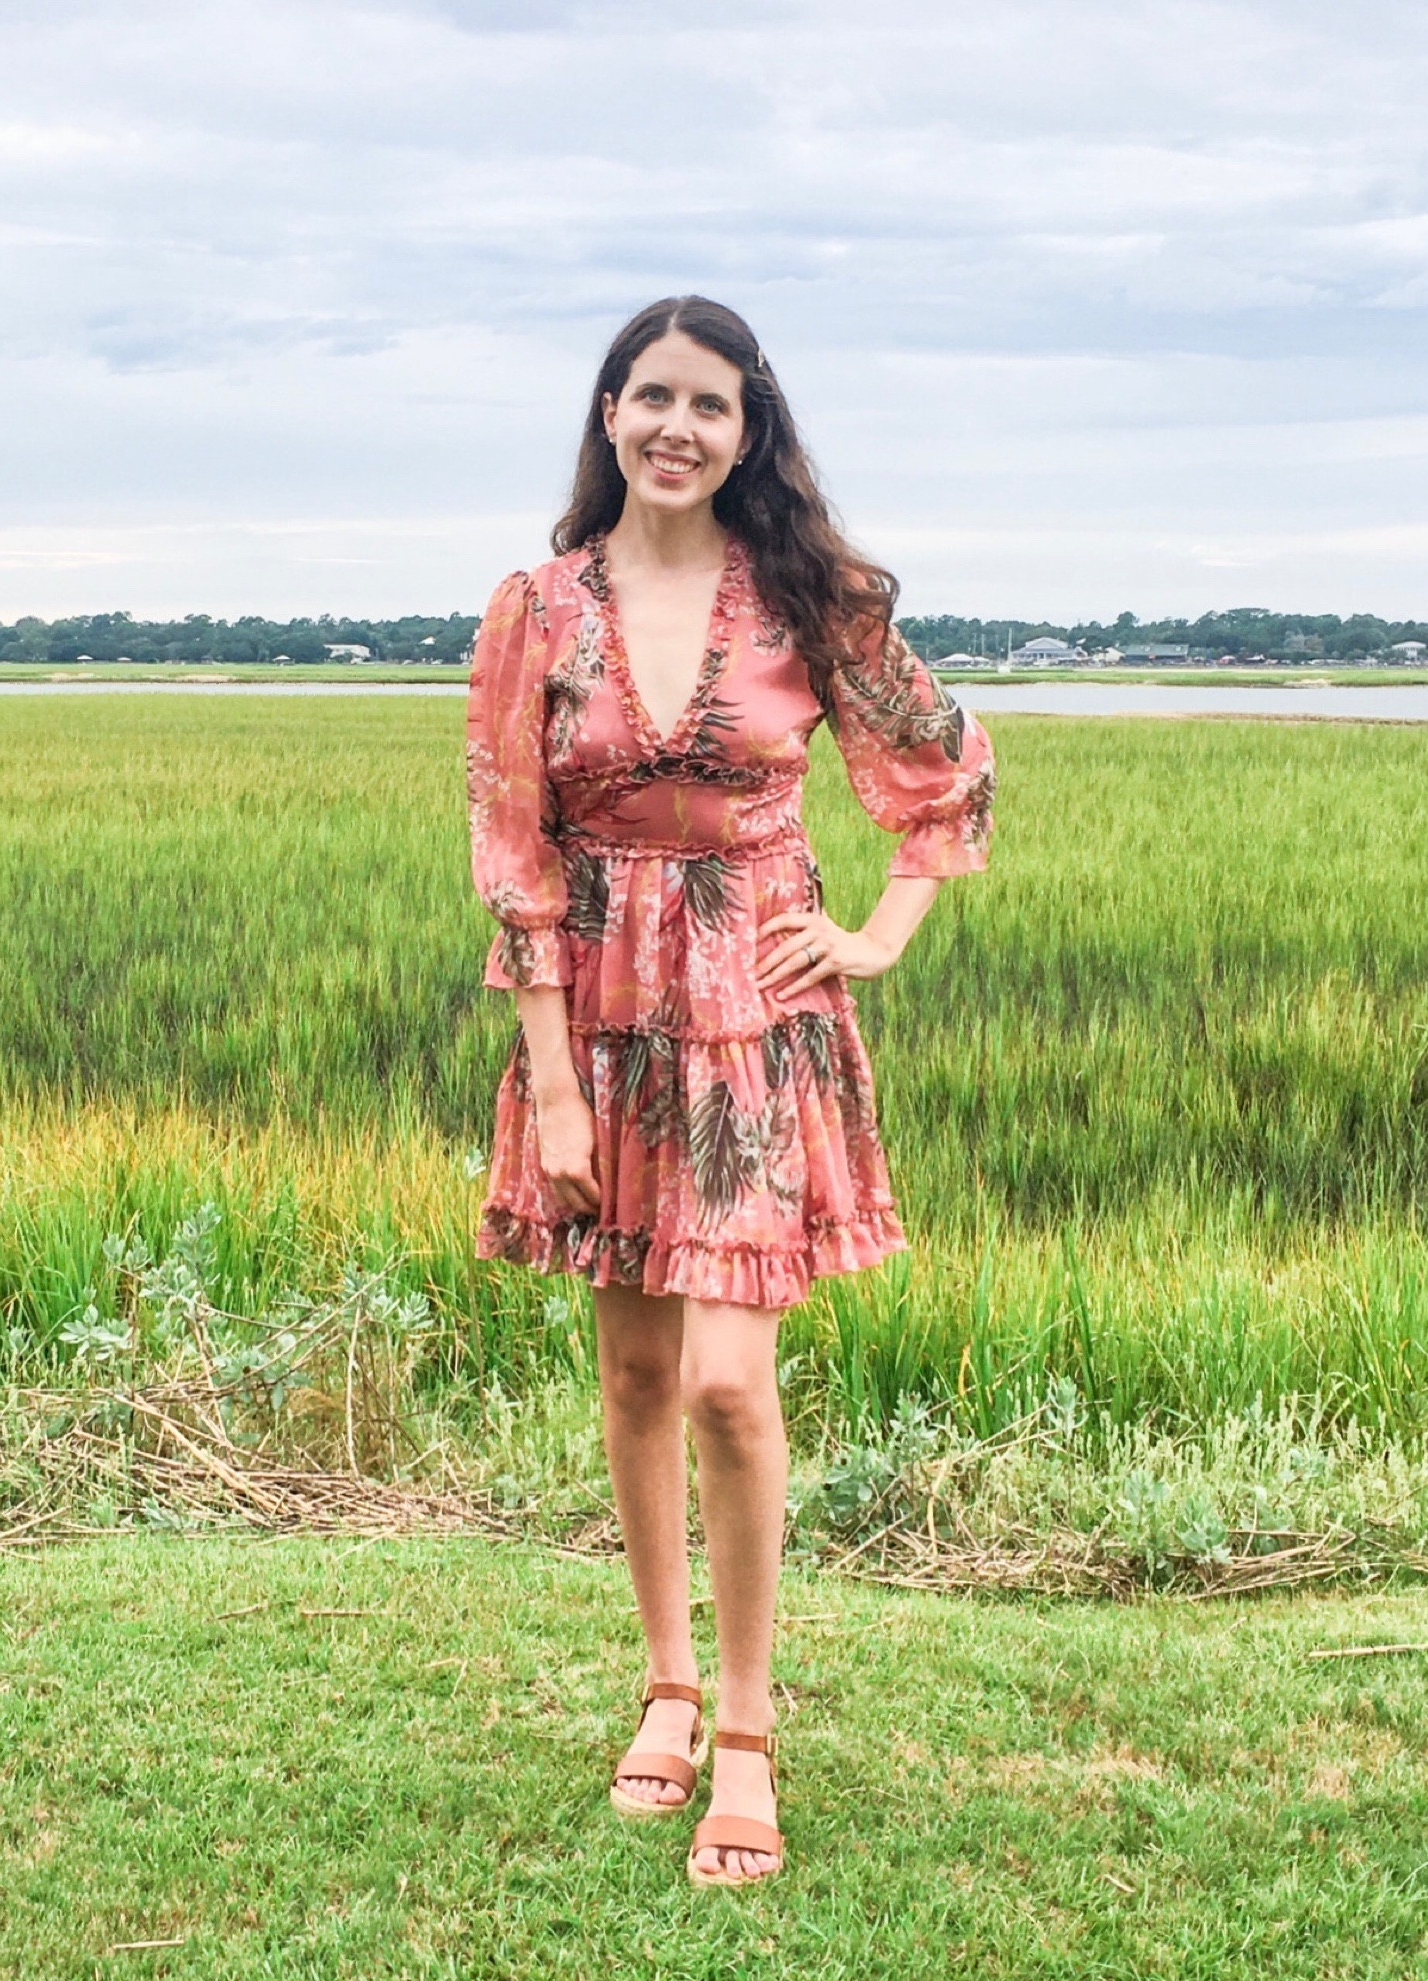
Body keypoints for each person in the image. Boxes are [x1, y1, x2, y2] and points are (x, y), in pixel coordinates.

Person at [465, 295, 994, 1888]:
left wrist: (877, 936)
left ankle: (749, 1731)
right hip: (604, 1019)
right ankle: (666, 1688)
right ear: (609, 415)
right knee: (631, 1379)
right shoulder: (538, 609)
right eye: (651, 399)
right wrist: (550, 1083)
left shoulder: (811, 604)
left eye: (709, 403)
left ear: (747, 427)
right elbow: (513, 847)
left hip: (760, 1019)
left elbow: (944, 771)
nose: (677, 428)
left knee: (722, 1383)